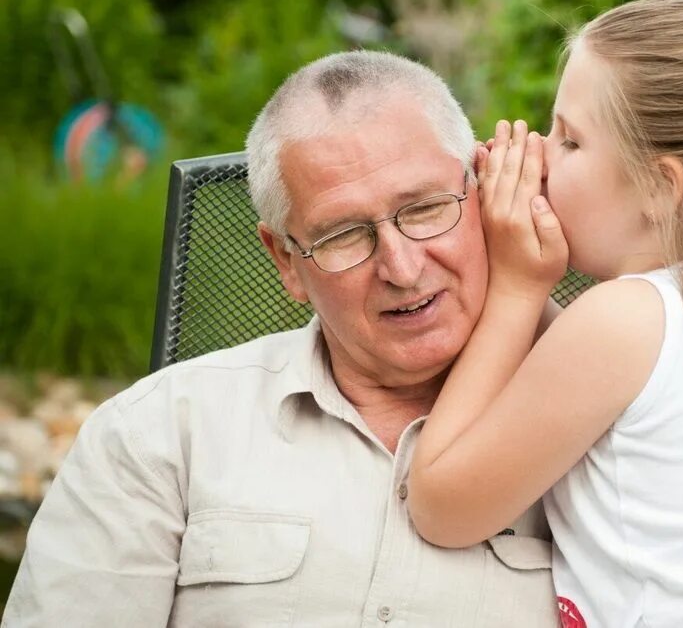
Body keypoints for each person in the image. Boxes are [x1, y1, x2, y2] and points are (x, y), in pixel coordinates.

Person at [2, 51, 560, 627]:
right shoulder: (159, 433)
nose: (403, 267)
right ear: (286, 261)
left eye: (424, 209)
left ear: (486, 192)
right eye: (343, 234)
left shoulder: (603, 427)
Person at [405, 0, 683, 625]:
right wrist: (526, 278)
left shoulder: (623, 322)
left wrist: (515, 288)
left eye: (569, 139)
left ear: (659, 187)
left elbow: (442, 507)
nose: (540, 149)